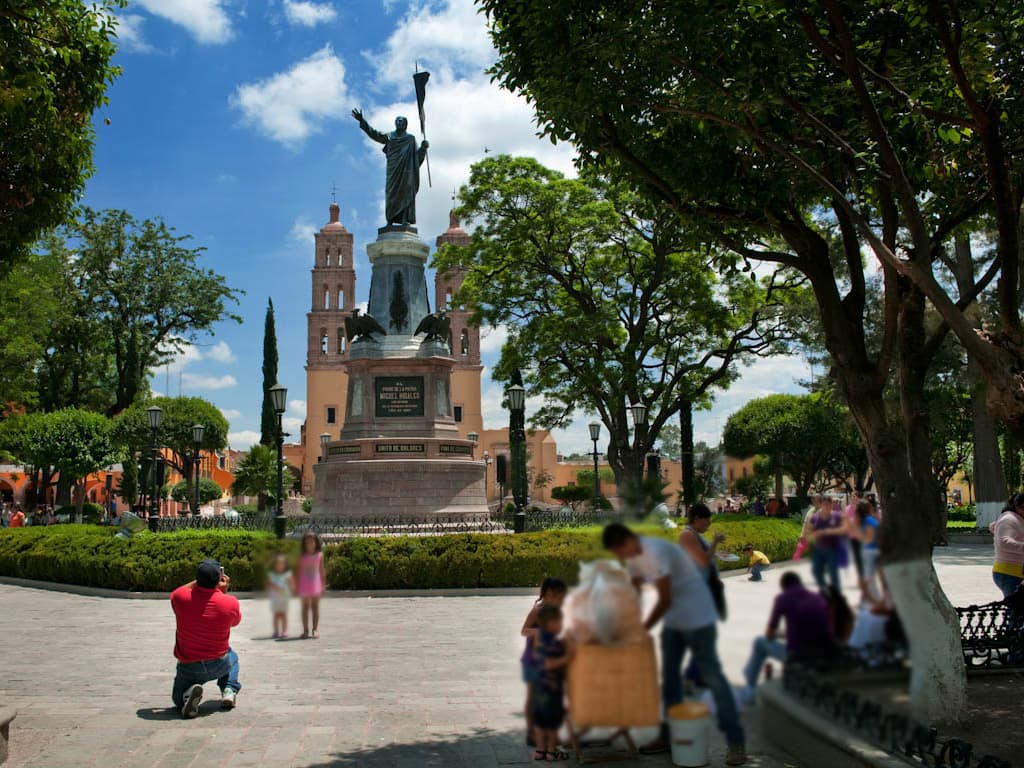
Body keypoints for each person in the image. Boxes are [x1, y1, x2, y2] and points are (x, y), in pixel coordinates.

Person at [603, 523, 746, 765]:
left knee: (713, 677)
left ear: (628, 540)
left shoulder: (656, 551)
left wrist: (642, 630)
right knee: (670, 680)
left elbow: (664, 599)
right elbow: (635, 592)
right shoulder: (632, 557)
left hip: (698, 617)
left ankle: (736, 744)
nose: (622, 557)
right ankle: (669, 737)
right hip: (675, 621)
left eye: (620, 551)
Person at [740, 572, 832, 702]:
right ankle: (749, 674)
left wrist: (779, 634)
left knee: (760, 642)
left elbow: (769, 634)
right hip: (823, 653)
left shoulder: (783, 598)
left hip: (798, 655)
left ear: (783, 586)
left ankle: (749, 687)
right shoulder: (816, 597)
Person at [170, 559, 242, 718]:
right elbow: (235, 622)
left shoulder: (181, 598)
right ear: (219, 579)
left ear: (197, 579)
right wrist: (221, 592)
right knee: (233, 657)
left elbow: (177, 591)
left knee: (177, 701)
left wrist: (201, 581)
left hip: (189, 666)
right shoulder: (230, 602)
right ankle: (229, 690)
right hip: (219, 663)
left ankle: (189, 694)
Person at [351, 109, 429, 228]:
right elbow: (375, 134)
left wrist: (423, 148)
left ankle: (404, 220)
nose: (399, 123)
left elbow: (415, 159)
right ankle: (390, 221)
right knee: (391, 194)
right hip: (393, 170)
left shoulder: (410, 139)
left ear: (406, 124)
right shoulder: (390, 136)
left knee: (406, 193)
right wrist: (363, 121)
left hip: (406, 172)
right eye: (397, 121)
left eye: (401, 121)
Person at [520, 577, 568, 746]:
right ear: (547, 594)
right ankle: (531, 732)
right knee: (532, 696)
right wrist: (539, 632)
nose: (560, 600)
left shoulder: (558, 611)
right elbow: (524, 631)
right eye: (557, 596)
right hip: (532, 659)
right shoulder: (538, 610)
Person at [531, 604, 572, 762]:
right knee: (553, 723)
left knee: (540, 722)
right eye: (560, 621)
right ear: (552, 623)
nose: (562, 624)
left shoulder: (540, 638)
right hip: (552, 689)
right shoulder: (555, 641)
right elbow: (547, 664)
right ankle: (551, 751)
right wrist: (567, 657)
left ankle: (540, 750)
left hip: (540, 688)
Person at [805, 494, 845, 591]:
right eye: (824, 504)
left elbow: (844, 529)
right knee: (816, 571)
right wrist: (814, 535)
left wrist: (829, 531)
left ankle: (836, 594)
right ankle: (824, 590)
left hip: (833, 548)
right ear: (821, 504)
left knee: (833, 572)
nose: (827, 506)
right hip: (819, 549)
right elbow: (808, 533)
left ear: (831, 505)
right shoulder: (814, 517)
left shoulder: (837, 516)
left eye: (829, 504)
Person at [990, 492, 1024, 598]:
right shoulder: (1009, 519)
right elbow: (1004, 542)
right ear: (1016, 506)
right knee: (1016, 610)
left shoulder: (1018, 519)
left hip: (1017, 571)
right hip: (1009, 572)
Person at [297, 532, 326, 638]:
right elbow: (298, 571)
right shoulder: (301, 556)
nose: (310, 544)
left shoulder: (319, 556)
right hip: (304, 584)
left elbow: (322, 571)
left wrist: (323, 585)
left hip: (315, 583)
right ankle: (305, 630)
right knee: (305, 607)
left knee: (315, 607)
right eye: (307, 542)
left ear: (316, 543)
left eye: (312, 541)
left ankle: (315, 629)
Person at [854, 499, 881, 599]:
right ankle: (873, 597)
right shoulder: (869, 520)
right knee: (871, 577)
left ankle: (871, 597)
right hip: (872, 550)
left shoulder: (864, 520)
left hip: (868, 550)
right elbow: (869, 538)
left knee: (870, 576)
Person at [266, 553, 295, 640]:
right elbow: (269, 584)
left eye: (282, 563)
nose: (280, 565)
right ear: (275, 565)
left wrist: (293, 589)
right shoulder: (272, 574)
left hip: (284, 598)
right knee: (276, 615)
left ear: (285, 565)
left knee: (284, 614)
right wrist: (272, 587)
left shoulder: (287, 574)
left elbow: (292, 584)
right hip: (275, 598)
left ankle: (284, 630)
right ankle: (276, 631)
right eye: (278, 563)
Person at [844, 492, 863, 582]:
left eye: (855, 496)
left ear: (858, 498)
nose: (853, 498)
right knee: (857, 557)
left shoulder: (862, 508)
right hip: (853, 536)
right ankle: (861, 576)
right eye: (852, 496)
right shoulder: (847, 509)